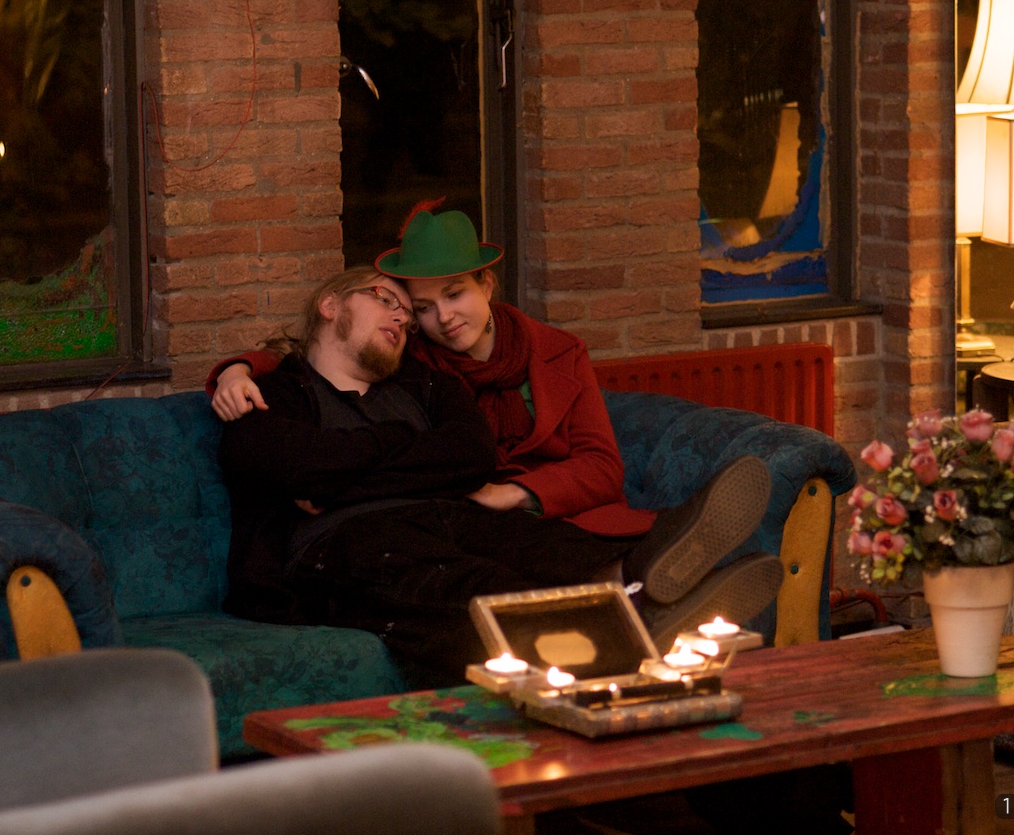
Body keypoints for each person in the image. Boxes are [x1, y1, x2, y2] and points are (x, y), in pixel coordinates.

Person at [211, 206, 783, 626]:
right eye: (417, 308)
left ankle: (663, 577)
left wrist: (504, 492)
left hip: (506, 513)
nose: (432, 319)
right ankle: (643, 608)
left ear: (486, 284)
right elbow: (306, 382)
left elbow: (478, 454)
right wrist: (237, 370)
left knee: (544, 551)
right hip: (418, 523)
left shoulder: (523, 359)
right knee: (481, 579)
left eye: (452, 295)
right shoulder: (409, 365)